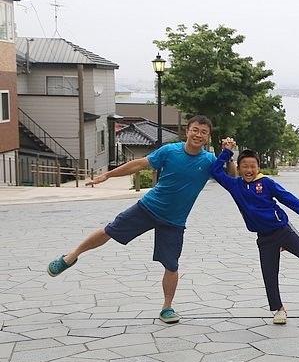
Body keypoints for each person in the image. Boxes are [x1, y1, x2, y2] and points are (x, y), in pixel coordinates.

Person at [47, 115, 235, 324]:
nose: (198, 135)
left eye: (203, 132)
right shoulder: (170, 151)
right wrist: (108, 175)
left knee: (171, 265)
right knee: (109, 231)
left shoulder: (209, 161)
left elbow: (231, 179)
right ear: (187, 131)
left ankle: (167, 308)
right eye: (195, 130)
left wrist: (229, 156)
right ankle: (70, 257)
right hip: (147, 207)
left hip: (174, 221)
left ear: (208, 136)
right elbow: (138, 165)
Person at [210, 140, 299, 325]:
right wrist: (226, 152)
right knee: (268, 274)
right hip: (264, 238)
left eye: (252, 166)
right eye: (244, 166)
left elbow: (288, 198)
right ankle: (278, 309)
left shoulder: (266, 183)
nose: (249, 170)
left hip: (282, 230)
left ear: (258, 167)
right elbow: (215, 171)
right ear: (238, 168)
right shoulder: (235, 186)